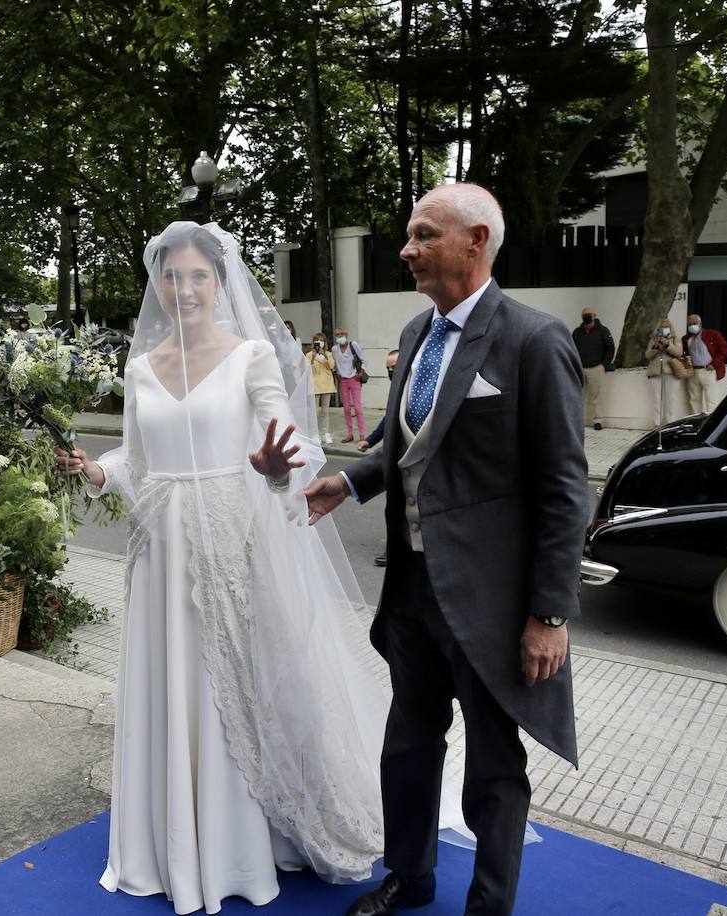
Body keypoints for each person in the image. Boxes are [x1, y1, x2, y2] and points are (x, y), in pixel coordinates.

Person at [54, 222, 477, 915]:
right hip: (159, 551)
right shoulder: (140, 366)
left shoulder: (250, 355)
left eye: (198, 276)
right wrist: (95, 471)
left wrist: (281, 465)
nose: (185, 288)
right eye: (172, 276)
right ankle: (168, 839)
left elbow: (289, 438)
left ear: (219, 283)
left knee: (235, 690)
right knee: (170, 685)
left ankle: (235, 844)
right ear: (158, 285)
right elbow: (136, 457)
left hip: (228, 544)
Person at [304, 184, 588, 916]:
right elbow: (409, 448)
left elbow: (563, 488)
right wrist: (351, 481)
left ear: (477, 241)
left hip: (493, 602)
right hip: (411, 592)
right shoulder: (419, 333)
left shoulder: (534, 340)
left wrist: (550, 614)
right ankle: (411, 876)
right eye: (409, 235)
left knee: (495, 767)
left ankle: (488, 905)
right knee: (407, 748)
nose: (407, 249)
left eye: (425, 234)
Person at [357, 349, 399, 569]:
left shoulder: (417, 385)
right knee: (394, 506)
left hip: (417, 460)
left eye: (394, 367)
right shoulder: (397, 387)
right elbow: (388, 419)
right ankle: (393, 549)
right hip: (397, 460)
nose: (391, 371)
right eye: (388, 369)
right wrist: (370, 441)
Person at [571, 306, 613, 430]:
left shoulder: (603, 331)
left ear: (594, 315)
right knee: (577, 395)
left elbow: (610, 348)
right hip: (579, 368)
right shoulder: (577, 332)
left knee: (597, 396)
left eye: (589, 314)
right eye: (584, 315)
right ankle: (577, 420)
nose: (587, 317)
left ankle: (598, 421)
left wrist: (604, 365)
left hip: (596, 368)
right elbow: (571, 348)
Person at [682, 314, 727, 415]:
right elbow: (684, 354)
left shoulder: (712, 334)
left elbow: (724, 349)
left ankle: (711, 422)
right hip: (693, 372)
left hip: (709, 370)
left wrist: (714, 364)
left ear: (700, 324)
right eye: (689, 324)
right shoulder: (686, 339)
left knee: (711, 399)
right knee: (694, 400)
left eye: (694, 323)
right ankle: (696, 422)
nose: (692, 326)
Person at [644, 318, 688, 426]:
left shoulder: (676, 338)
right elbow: (647, 356)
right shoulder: (654, 339)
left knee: (671, 400)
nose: (664, 329)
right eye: (661, 327)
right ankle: (656, 425)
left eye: (666, 327)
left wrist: (668, 344)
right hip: (656, 372)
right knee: (656, 400)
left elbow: (679, 353)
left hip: (672, 372)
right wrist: (656, 346)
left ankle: (670, 424)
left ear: (670, 328)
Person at [333, 325, 367, 443]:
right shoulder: (334, 349)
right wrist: (338, 376)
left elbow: (363, 359)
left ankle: (362, 434)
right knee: (347, 409)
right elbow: (335, 364)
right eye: (337, 335)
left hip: (354, 379)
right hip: (343, 381)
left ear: (346, 336)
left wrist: (360, 373)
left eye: (341, 335)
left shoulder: (353, 345)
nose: (339, 337)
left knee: (357, 408)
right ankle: (350, 433)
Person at [307, 331, 338, 444]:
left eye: (322, 341)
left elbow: (332, 366)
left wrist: (324, 355)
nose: (319, 343)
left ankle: (325, 433)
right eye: (317, 340)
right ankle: (315, 434)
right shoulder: (309, 354)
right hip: (314, 385)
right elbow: (307, 370)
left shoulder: (328, 354)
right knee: (314, 412)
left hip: (327, 384)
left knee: (325, 411)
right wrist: (312, 358)